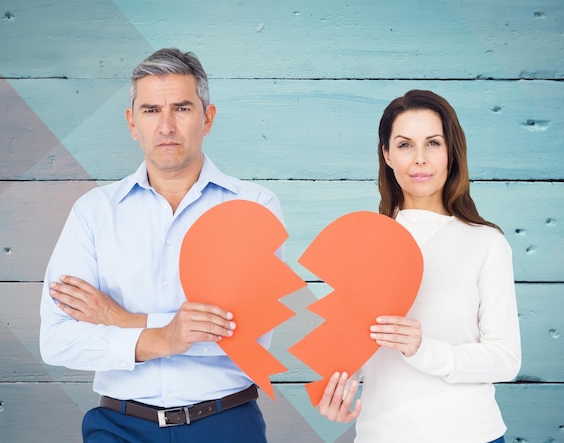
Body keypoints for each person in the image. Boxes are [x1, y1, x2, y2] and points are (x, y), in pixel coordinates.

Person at [39, 48, 282, 442]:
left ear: (208, 118)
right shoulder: (93, 213)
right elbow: (58, 341)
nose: (166, 126)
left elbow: (249, 339)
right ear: (132, 123)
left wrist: (120, 319)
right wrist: (165, 336)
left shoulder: (254, 206)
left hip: (224, 424)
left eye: (182, 108)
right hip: (119, 427)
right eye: (151, 111)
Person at [317, 90, 522, 443]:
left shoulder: (486, 243)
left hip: (472, 435)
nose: (420, 159)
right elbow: (352, 353)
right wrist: (334, 395)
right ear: (387, 155)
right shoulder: (362, 245)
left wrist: (423, 349)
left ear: (451, 152)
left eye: (433, 143)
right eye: (405, 145)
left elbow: (506, 360)